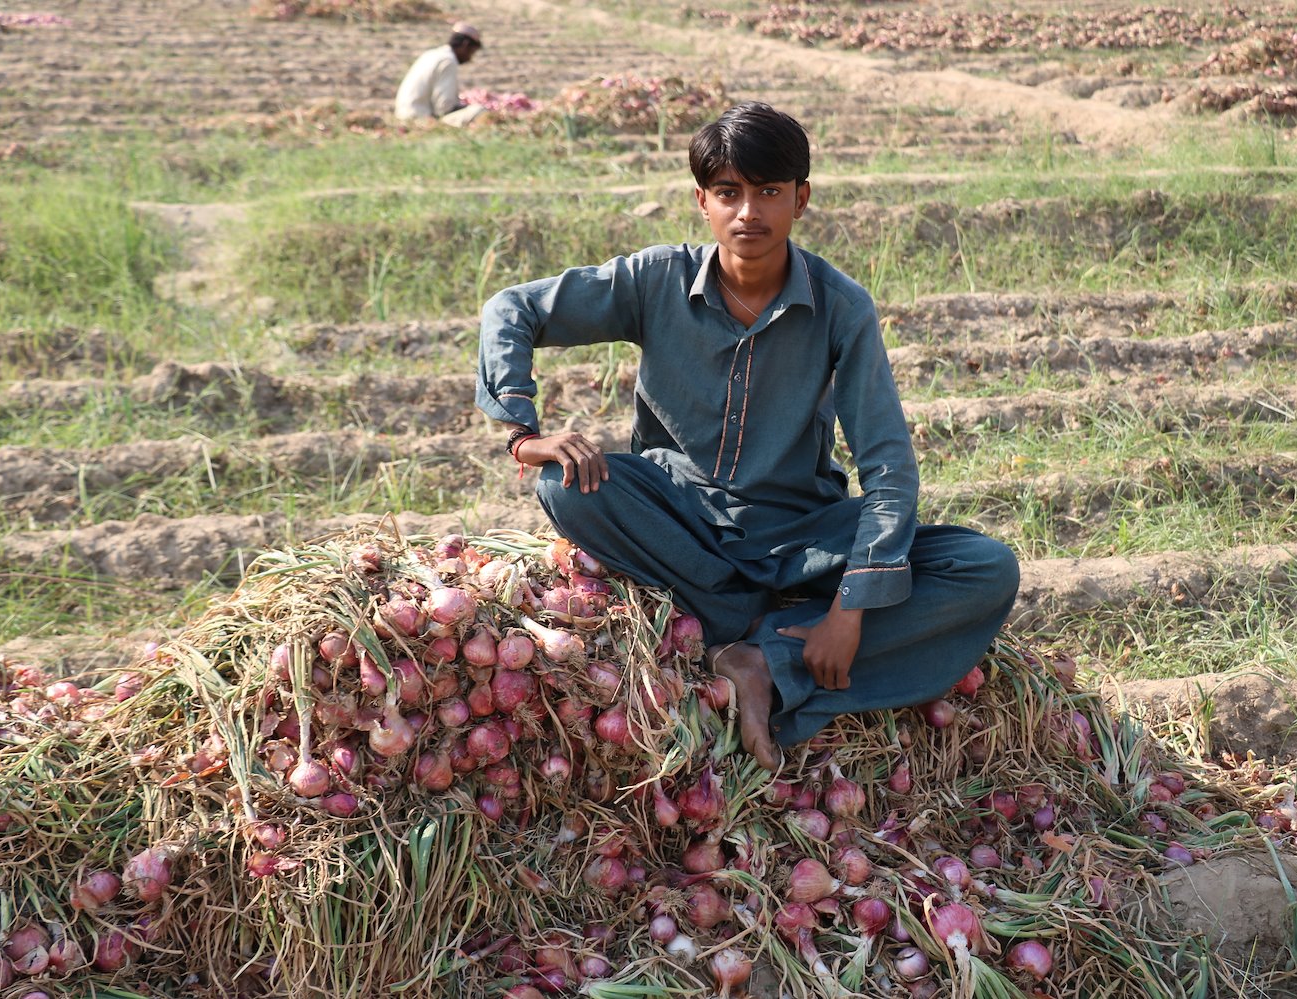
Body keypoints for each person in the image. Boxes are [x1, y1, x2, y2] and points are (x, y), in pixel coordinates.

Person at [476, 102, 1020, 771]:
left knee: (983, 567)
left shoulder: (841, 307)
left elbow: (888, 468)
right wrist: (522, 433)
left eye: (769, 192)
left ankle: (759, 652)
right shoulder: (657, 279)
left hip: (799, 531)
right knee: (568, 484)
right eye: (729, 193)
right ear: (702, 201)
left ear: (802, 198)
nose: (748, 213)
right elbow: (513, 308)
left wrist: (851, 605)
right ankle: (744, 627)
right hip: (677, 515)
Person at [394, 21, 484, 126]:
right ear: (465, 45)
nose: (469, 58)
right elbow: (443, 107)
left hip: (403, 114)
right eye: (471, 52)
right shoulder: (448, 61)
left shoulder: (431, 54)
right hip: (419, 118)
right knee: (479, 111)